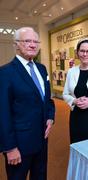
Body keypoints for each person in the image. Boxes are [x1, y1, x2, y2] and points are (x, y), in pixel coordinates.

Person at [0, 27, 55, 180]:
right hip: (19, 146)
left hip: (41, 141)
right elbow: (2, 113)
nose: (33, 45)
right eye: (27, 41)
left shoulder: (42, 69)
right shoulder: (5, 73)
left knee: (40, 176)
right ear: (16, 44)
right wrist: (10, 148)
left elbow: (47, 99)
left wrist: (50, 117)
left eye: (36, 41)